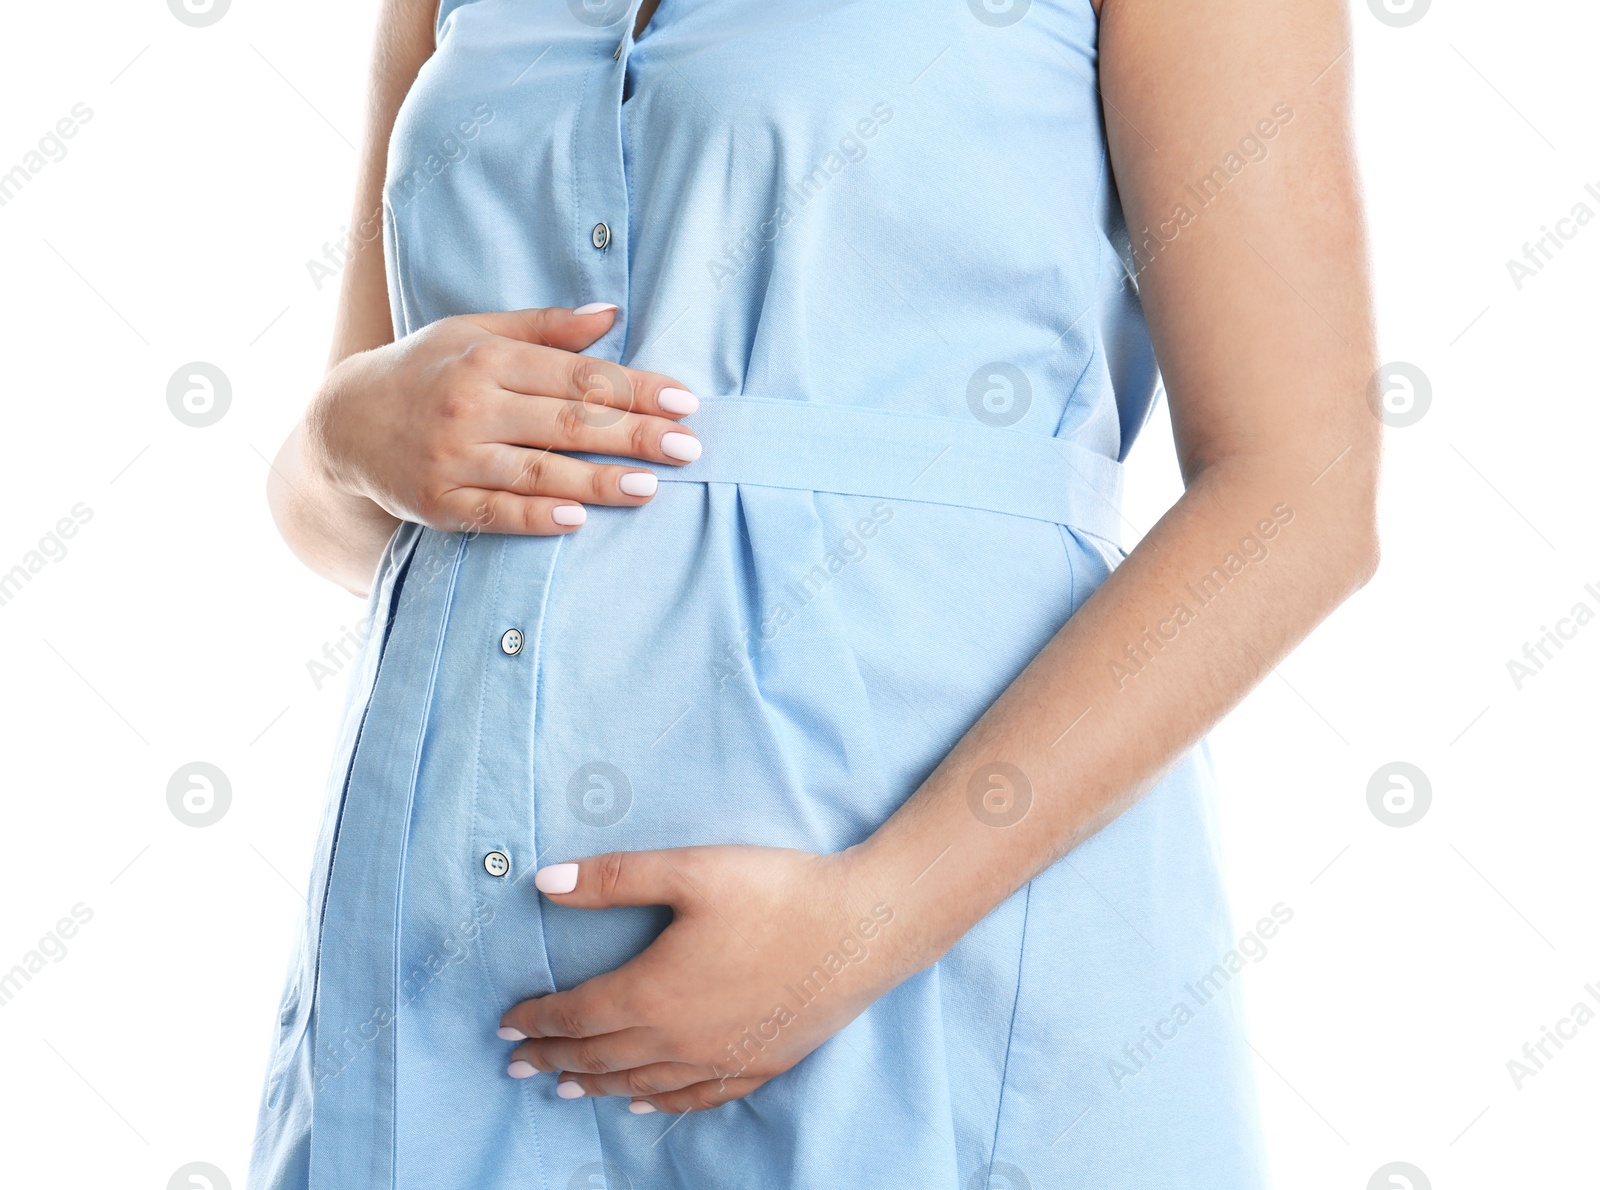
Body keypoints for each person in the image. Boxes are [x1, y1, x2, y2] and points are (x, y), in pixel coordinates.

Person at [253, 0, 1379, 1186]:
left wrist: (869, 920)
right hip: (436, 968)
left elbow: (1299, 494)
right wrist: (338, 439)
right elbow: (363, 519)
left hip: (921, 946)